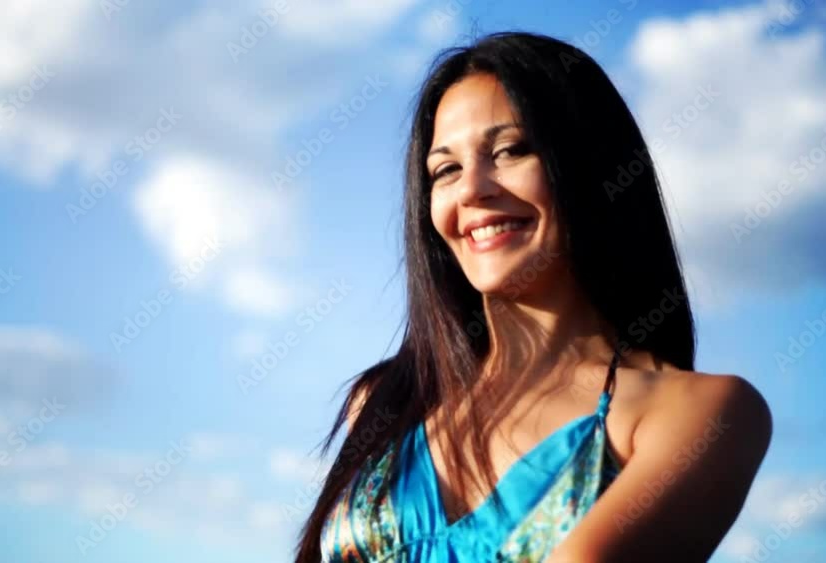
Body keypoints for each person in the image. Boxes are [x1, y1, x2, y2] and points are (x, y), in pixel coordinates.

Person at [294, 31, 772, 563]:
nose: (473, 189)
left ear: (591, 166)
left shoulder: (700, 412)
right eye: (446, 170)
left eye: (511, 150)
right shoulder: (388, 398)